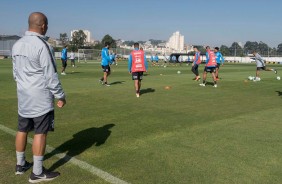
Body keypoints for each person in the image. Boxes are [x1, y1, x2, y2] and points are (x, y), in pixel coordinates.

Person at [12, 12, 66, 183]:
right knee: (40, 132)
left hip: (23, 95)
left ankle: (20, 165)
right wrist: (60, 95)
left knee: (22, 129)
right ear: (43, 25)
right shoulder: (43, 45)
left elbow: (15, 73)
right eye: (47, 25)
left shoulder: (17, 44)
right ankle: (37, 172)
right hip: (40, 97)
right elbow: (51, 75)